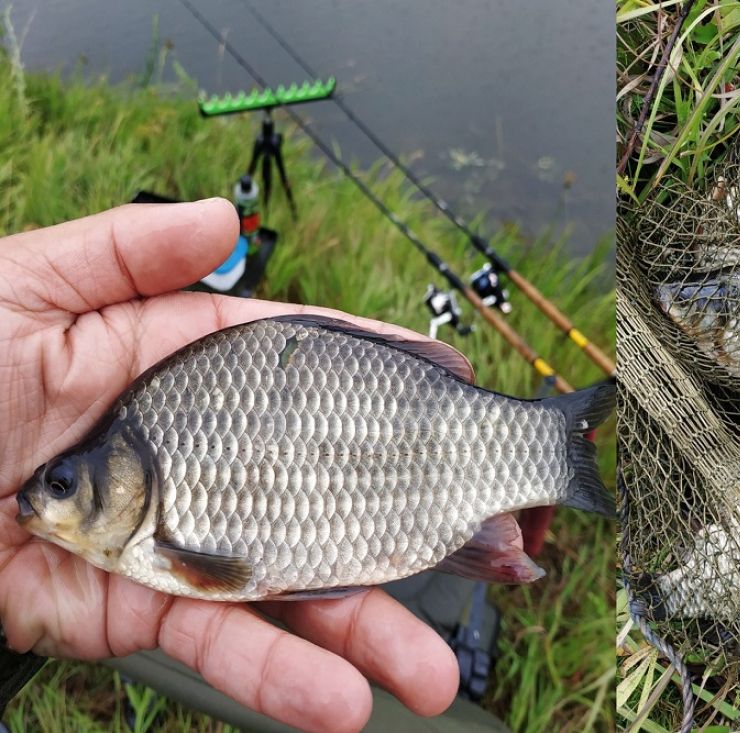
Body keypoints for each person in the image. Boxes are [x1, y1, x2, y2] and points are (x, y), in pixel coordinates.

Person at [0, 199, 480, 733]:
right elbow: (233, 575)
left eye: (62, 485)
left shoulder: (147, 439)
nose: (46, 499)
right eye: (61, 486)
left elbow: (229, 575)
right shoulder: (146, 422)